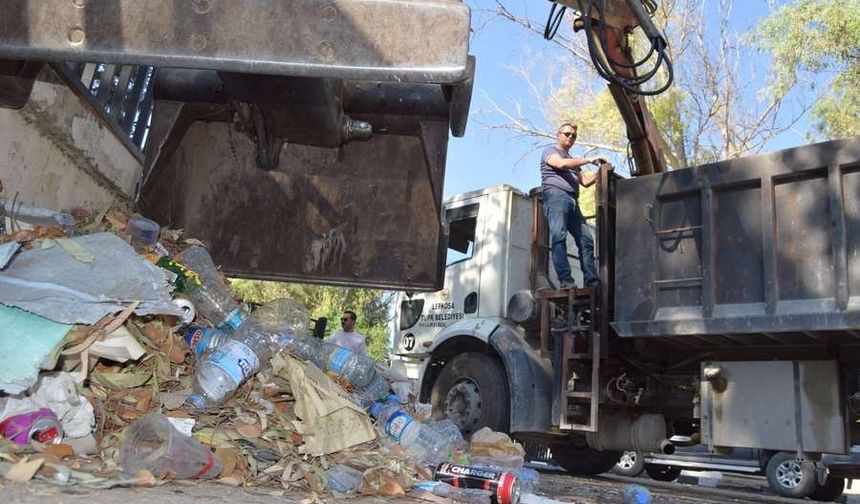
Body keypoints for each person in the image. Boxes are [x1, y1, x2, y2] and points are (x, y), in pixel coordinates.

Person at [540, 122, 609, 289]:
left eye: (573, 136)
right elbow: (561, 164)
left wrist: (603, 169)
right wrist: (588, 159)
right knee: (559, 237)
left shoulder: (572, 160)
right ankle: (566, 280)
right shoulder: (550, 151)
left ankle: (591, 281)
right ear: (558, 135)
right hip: (556, 197)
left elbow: (585, 181)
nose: (570, 137)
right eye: (567, 134)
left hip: (572, 201)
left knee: (586, 239)